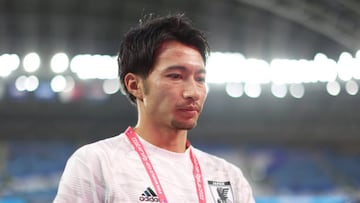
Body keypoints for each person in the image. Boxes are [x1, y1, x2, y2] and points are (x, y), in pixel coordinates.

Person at [54, 13, 255, 203]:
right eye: (175, 76)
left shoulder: (229, 178)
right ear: (135, 85)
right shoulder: (97, 163)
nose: (193, 92)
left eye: (200, 79)